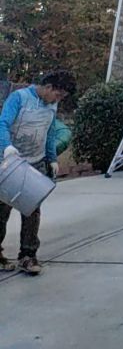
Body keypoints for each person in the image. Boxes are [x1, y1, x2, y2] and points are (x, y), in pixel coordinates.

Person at [0, 70, 77, 275]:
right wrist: (6, 147)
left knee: (32, 211)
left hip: (34, 163)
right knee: (2, 210)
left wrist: (52, 158)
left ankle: (28, 255)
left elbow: (50, 133)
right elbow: (3, 123)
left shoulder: (51, 105)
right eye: (58, 95)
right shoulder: (19, 98)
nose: (58, 100)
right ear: (49, 87)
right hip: (10, 161)